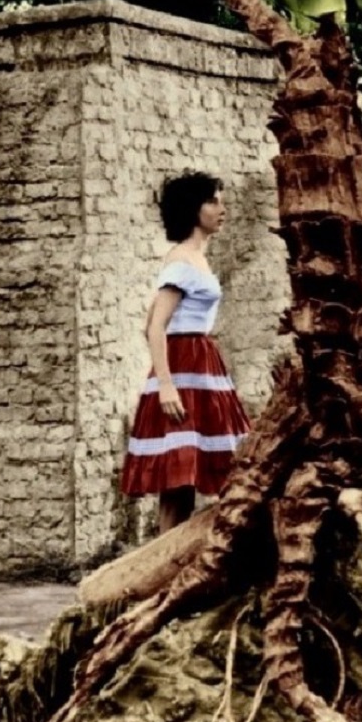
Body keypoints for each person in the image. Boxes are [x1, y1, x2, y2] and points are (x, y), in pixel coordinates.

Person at [120, 171, 251, 534]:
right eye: (212, 201)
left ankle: (175, 566)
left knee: (188, 477)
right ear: (193, 210)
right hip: (182, 367)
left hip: (202, 363)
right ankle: (159, 569)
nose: (221, 209)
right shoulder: (181, 260)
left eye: (221, 201)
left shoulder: (197, 258)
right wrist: (165, 385)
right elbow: (154, 325)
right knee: (177, 479)